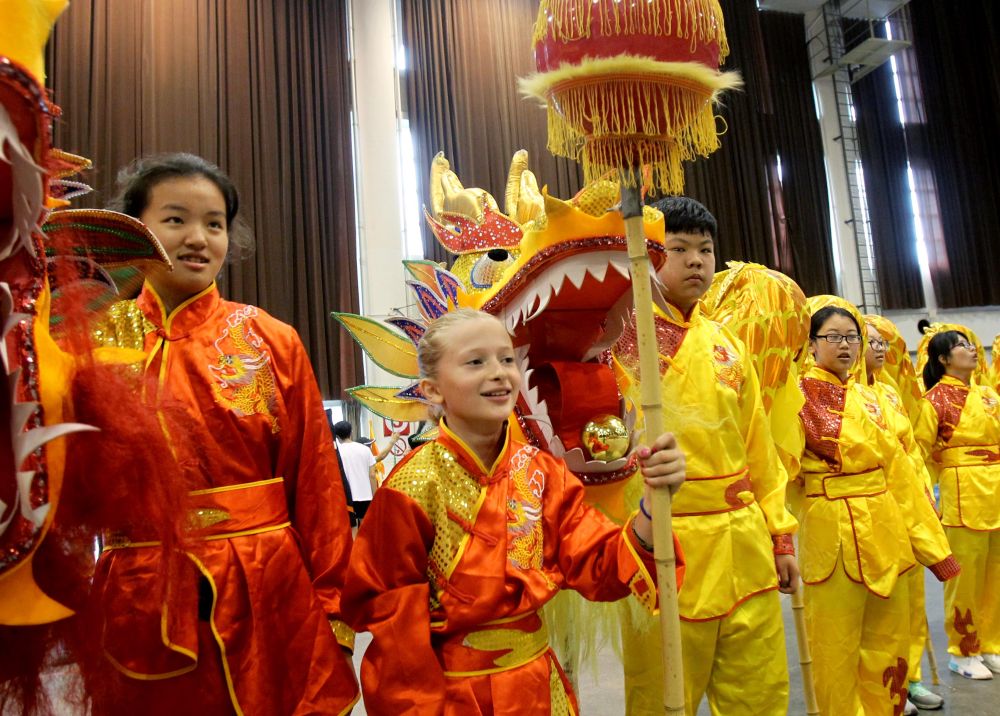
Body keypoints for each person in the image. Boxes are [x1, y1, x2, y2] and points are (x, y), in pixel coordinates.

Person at [89, 153, 359, 714]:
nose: (198, 238)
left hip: (266, 586)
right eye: (175, 219)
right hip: (142, 588)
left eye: (214, 224)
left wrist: (334, 607)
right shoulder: (93, 343)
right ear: (135, 230)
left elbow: (316, 483)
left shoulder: (269, 339)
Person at [341, 308, 686, 714]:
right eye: (476, 362)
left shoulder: (541, 473)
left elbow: (600, 563)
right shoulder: (411, 487)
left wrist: (652, 505)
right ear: (432, 390)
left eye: (507, 359)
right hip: (455, 697)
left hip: (537, 688)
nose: (499, 372)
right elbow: (395, 628)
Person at [610, 197, 798, 716]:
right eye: (679, 249)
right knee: (662, 699)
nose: (696, 260)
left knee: (760, 696)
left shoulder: (727, 343)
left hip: (746, 548)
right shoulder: (619, 341)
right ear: (646, 254)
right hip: (667, 549)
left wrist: (780, 535)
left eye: (706, 250)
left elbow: (760, 450)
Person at [792, 301, 957, 715]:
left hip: (887, 532)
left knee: (888, 646)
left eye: (852, 337)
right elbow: (778, 469)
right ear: (811, 344)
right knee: (835, 651)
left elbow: (900, 474)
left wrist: (934, 549)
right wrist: (778, 539)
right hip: (832, 536)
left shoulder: (872, 398)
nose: (845, 345)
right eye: (833, 336)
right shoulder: (794, 397)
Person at [863, 315, 944, 711]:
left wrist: (924, 491)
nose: (878, 349)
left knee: (912, 600)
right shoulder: (841, 395)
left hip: (910, 504)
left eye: (881, 343)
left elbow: (912, 448)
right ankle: (880, 688)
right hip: (872, 508)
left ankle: (910, 678)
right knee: (881, 603)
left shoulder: (890, 391)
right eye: (869, 341)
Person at [913, 330, 1000, 680]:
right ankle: (962, 651)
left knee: (995, 575)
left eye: (970, 344)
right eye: (960, 346)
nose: (971, 350)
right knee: (963, 578)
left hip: (996, 487)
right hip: (963, 494)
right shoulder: (933, 400)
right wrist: (925, 498)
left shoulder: (989, 394)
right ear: (943, 359)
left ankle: (991, 644)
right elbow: (918, 453)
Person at [333, 420, 378, 523]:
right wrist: (375, 496)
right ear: (351, 432)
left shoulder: (336, 453)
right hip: (366, 495)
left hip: (346, 497)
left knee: (351, 527)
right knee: (365, 527)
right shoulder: (365, 449)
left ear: (337, 436)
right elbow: (372, 475)